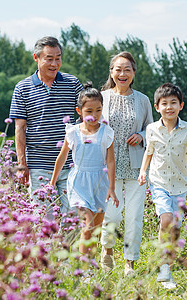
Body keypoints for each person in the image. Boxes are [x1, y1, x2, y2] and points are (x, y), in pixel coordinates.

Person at [138, 83, 187, 286]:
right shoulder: (151, 129)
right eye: (165, 103)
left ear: (181, 105)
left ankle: (170, 260)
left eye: (173, 103)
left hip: (180, 184)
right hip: (158, 182)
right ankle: (164, 266)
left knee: (175, 227)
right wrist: (143, 171)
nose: (169, 107)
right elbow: (148, 153)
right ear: (157, 106)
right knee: (166, 220)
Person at [9, 36, 83, 219]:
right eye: (49, 58)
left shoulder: (72, 83)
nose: (54, 63)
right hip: (39, 166)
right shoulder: (22, 88)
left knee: (73, 219)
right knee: (43, 220)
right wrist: (21, 164)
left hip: (70, 164)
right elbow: (19, 129)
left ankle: (68, 249)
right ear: (36, 58)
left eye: (58, 58)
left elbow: (89, 114)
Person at [99, 51, 154, 276]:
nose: (122, 74)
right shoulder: (101, 97)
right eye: (118, 69)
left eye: (127, 70)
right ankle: (107, 251)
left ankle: (130, 262)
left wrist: (141, 135)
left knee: (133, 216)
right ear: (111, 72)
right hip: (107, 166)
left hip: (136, 166)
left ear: (133, 74)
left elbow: (152, 129)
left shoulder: (143, 100)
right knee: (111, 215)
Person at [49, 82, 118, 256]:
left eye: (98, 110)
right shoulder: (73, 132)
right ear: (79, 111)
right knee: (87, 226)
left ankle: (92, 265)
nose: (94, 115)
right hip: (79, 183)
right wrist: (52, 181)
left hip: (100, 183)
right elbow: (63, 156)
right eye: (89, 111)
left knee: (96, 228)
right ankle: (84, 268)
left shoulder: (107, 132)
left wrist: (111, 188)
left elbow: (110, 162)